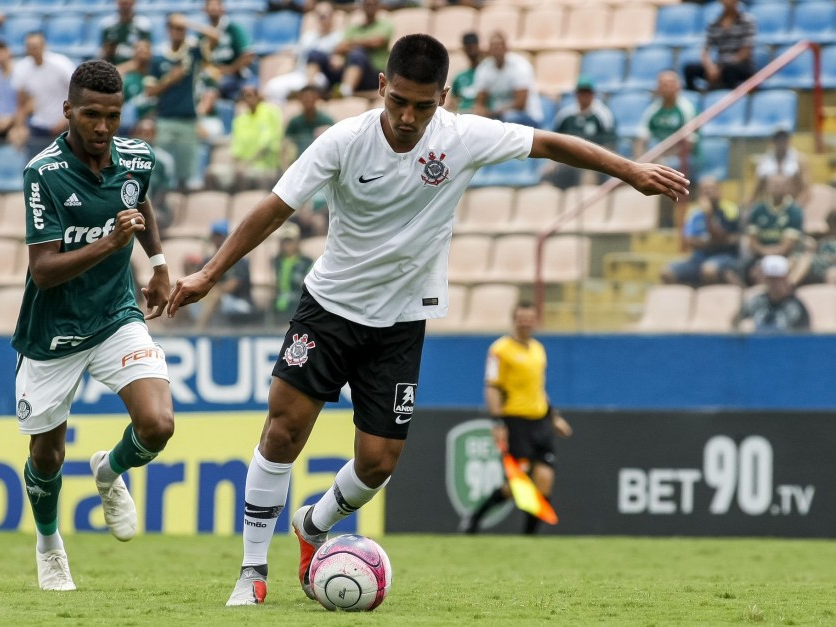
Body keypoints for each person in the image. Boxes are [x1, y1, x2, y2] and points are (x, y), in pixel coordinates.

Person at [164, 34, 688, 606]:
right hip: (329, 310)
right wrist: (209, 274)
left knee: (376, 464)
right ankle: (252, 573)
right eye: (399, 103)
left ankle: (313, 525)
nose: (409, 117)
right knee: (284, 430)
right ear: (382, 88)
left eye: (424, 105)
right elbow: (274, 207)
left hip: (400, 323)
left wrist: (629, 171)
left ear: (444, 96)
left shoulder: (461, 137)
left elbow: (550, 143)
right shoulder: (343, 141)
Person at [12, 60, 174, 591]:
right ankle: (49, 544)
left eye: (112, 115)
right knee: (47, 455)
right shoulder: (44, 173)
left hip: (113, 316)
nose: (102, 127)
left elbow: (139, 201)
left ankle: (108, 471)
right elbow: (43, 270)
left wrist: (158, 266)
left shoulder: (135, 157)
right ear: (67, 111)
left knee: (158, 426)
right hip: (53, 333)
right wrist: (108, 245)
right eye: (90, 115)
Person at [463, 301, 571, 535]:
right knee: (516, 485)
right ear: (514, 319)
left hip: (540, 421)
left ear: (536, 320)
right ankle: (474, 520)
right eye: (522, 318)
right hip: (515, 422)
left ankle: (529, 538)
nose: (526, 322)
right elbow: (492, 387)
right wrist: (498, 422)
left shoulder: (538, 349)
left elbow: (539, 389)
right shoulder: (500, 350)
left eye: (530, 318)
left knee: (545, 479)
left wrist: (554, 418)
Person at [145, 14, 202, 190]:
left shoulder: (192, 52)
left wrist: (191, 22)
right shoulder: (158, 58)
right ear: (168, 30)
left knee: (185, 172)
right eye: (175, 28)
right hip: (165, 118)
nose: (179, 32)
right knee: (160, 167)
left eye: (182, 29)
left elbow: (215, 37)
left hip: (188, 118)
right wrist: (170, 79)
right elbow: (149, 91)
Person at [661, 176, 740, 286]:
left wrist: (709, 215)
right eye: (703, 189)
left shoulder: (730, 209)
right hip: (698, 258)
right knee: (667, 272)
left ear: (719, 191)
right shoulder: (694, 212)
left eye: (711, 188)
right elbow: (689, 241)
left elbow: (724, 239)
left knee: (709, 270)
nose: (707, 192)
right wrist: (712, 242)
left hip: (724, 256)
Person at [541, 76, 616, 190]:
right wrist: (551, 165)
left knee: (588, 174)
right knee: (546, 175)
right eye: (581, 92)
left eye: (587, 92)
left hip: (594, 162)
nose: (584, 96)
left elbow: (609, 145)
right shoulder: (566, 115)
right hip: (568, 161)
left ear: (593, 94)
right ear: (576, 94)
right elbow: (555, 142)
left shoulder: (602, 115)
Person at [307, 0, 392, 98]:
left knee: (357, 54)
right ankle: (312, 89)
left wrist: (352, 43)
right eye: (367, 4)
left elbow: (377, 41)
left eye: (374, 4)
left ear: (379, 6)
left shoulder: (386, 24)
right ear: (362, 7)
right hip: (348, 70)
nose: (370, 6)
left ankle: (345, 92)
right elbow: (340, 47)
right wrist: (339, 55)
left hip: (372, 74)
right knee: (315, 54)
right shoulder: (353, 28)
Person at [262, 1, 342, 106]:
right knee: (272, 87)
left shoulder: (339, 38)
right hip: (301, 74)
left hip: (321, 77)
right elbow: (296, 56)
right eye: (319, 15)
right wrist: (284, 70)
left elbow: (338, 61)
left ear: (332, 16)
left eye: (325, 15)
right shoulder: (307, 37)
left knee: (314, 83)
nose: (322, 18)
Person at [11, 31, 75, 158]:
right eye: (29, 46)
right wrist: (19, 127)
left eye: (35, 46)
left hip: (64, 125)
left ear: (44, 46)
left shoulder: (61, 64)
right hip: (39, 125)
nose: (33, 50)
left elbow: (77, 93)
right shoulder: (21, 68)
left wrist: (66, 119)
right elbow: (21, 102)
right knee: (36, 165)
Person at [186, 219, 256, 328]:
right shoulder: (208, 260)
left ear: (228, 237)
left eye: (221, 236)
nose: (218, 239)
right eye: (215, 236)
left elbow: (231, 286)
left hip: (240, 303)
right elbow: (196, 283)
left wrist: (212, 290)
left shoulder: (239, 260)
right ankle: (168, 332)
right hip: (216, 302)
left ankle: (197, 330)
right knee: (181, 296)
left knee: (216, 295)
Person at [472, 31, 543, 128]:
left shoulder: (520, 66)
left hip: (527, 116)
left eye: (500, 46)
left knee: (509, 118)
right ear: (489, 50)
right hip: (496, 116)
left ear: (506, 48)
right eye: (494, 47)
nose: (497, 50)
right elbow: (480, 101)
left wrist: (493, 112)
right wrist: (480, 111)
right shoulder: (484, 68)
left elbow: (520, 104)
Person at [683, 0, 755, 91]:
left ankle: (729, 92)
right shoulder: (714, 22)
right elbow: (705, 51)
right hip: (719, 66)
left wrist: (722, 67)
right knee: (689, 68)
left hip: (739, 66)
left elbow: (746, 52)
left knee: (729, 69)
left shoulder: (747, 20)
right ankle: (697, 96)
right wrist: (710, 67)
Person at [744, 173, 804, 284]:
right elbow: (752, 242)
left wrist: (771, 253)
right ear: (767, 187)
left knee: (781, 268)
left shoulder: (795, 211)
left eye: (782, 185)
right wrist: (763, 251)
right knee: (755, 271)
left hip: (786, 256)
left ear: (788, 187)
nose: (778, 188)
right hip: (760, 256)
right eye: (775, 185)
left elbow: (787, 246)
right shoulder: (757, 210)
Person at [633, 70, 697, 168]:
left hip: (683, 159)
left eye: (669, 84)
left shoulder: (687, 109)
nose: (666, 88)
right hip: (656, 157)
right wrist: (639, 162)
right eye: (663, 84)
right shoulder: (653, 109)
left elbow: (689, 144)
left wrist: (659, 157)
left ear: (678, 86)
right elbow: (640, 139)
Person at [193, 0, 255, 101]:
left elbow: (248, 56)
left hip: (236, 77)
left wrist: (229, 69)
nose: (213, 8)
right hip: (212, 77)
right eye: (210, 5)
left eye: (217, 4)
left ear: (223, 8)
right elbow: (200, 60)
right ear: (204, 9)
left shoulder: (233, 29)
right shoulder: (202, 34)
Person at [734, 255, 810, 333]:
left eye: (779, 279)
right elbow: (735, 323)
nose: (775, 283)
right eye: (771, 279)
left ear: (786, 279)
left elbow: (801, 336)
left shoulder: (795, 306)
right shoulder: (755, 302)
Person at [749, 126, 810, 207]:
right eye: (778, 138)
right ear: (773, 141)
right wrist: (751, 204)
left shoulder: (799, 160)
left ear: (788, 140)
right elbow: (757, 188)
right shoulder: (764, 161)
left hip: (792, 203)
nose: (781, 141)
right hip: (769, 206)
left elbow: (806, 188)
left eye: (784, 138)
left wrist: (796, 207)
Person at [271, 221, 313, 324]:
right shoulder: (276, 261)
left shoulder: (307, 262)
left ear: (297, 242)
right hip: (279, 305)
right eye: (285, 241)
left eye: (290, 241)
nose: (287, 245)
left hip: (298, 306)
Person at [283, 85, 334, 161]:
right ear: (300, 100)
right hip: (298, 161)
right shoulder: (294, 122)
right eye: (304, 98)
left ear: (316, 99)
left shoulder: (326, 121)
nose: (307, 101)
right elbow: (286, 143)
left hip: (321, 161)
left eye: (310, 98)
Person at [791, 210, 836, 287]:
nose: (832, 228)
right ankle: (779, 282)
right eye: (831, 225)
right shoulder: (825, 239)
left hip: (827, 266)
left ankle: (790, 284)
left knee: (807, 258)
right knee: (795, 257)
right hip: (817, 264)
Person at [99, 0, 152, 66]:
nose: (125, 7)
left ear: (134, 3)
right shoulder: (107, 26)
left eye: (128, 3)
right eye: (123, 3)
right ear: (117, 3)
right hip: (111, 68)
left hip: (135, 71)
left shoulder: (143, 26)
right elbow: (102, 54)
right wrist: (107, 52)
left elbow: (146, 57)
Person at [445, 32, 482, 114]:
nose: (471, 51)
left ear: (478, 47)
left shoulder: (488, 72)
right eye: (468, 47)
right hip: (461, 114)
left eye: (473, 46)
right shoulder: (459, 76)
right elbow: (453, 101)